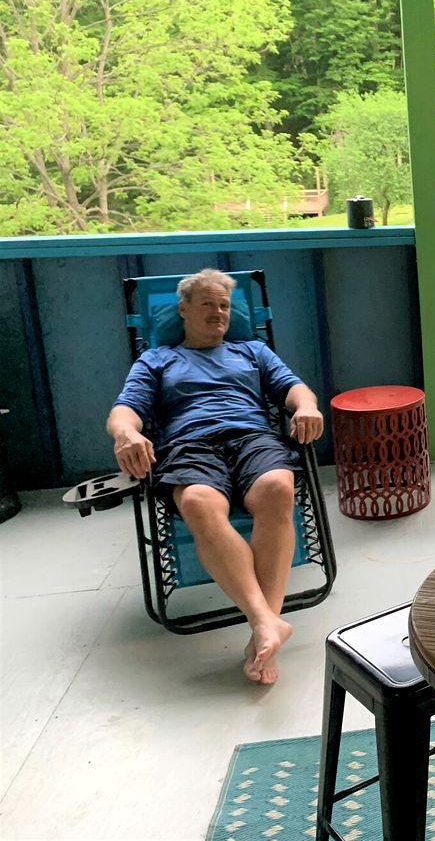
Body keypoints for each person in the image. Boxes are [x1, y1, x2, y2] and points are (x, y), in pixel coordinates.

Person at [106, 269, 324, 685]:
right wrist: (127, 433)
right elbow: (124, 410)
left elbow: (295, 388)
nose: (218, 312)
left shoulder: (253, 351)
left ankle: (264, 625)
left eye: (224, 305)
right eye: (208, 304)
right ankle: (266, 621)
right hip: (190, 446)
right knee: (198, 504)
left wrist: (306, 407)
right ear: (183, 310)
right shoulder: (157, 359)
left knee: (279, 488)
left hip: (252, 438)